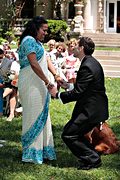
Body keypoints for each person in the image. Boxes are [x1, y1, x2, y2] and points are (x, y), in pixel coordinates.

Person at [53, 36, 109, 170]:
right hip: (92, 108)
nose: (73, 47)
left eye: (76, 45)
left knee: (69, 134)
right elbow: (84, 89)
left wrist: (57, 94)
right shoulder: (89, 62)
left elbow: (79, 93)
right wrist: (67, 85)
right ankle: (92, 156)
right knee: (73, 133)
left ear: (82, 48)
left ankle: (93, 159)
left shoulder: (87, 66)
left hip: (91, 110)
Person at [18, 16, 61, 164]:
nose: (45, 33)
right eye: (44, 30)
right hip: (31, 85)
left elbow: (47, 60)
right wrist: (47, 82)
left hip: (40, 84)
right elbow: (34, 63)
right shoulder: (28, 41)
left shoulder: (37, 42)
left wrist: (56, 75)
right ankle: (31, 153)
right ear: (36, 28)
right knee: (32, 116)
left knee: (43, 116)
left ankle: (43, 150)